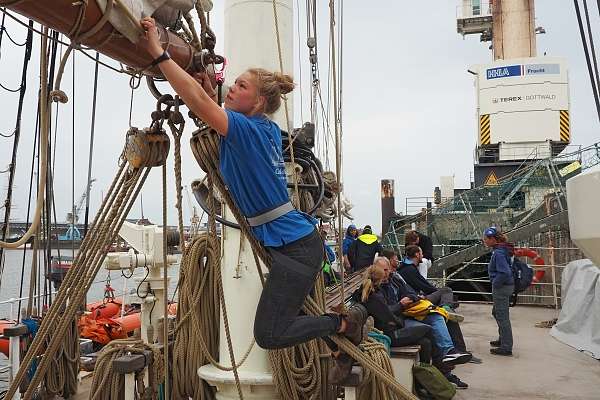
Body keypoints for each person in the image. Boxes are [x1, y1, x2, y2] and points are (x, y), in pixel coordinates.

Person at [140, 17, 367, 362]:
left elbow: (200, 105)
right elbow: (210, 103)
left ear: (258, 102)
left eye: (241, 86)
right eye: (233, 84)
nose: (232, 88)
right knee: (282, 319)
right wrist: (210, 88)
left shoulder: (246, 130)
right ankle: (336, 340)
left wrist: (158, 53)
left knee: (269, 334)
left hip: (296, 250)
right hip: (291, 244)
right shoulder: (264, 128)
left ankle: (341, 325)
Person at [398, 246, 458, 313]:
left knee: (445, 296)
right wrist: (438, 291)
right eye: (421, 253)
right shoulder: (410, 269)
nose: (422, 256)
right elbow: (425, 287)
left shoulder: (404, 267)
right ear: (417, 255)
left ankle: (446, 306)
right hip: (416, 300)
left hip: (412, 297)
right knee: (446, 290)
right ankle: (446, 310)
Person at [484, 226, 514, 356]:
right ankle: (503, 339)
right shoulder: (501, 250)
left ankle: (506, 346)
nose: (484, 241)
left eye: (486, 239)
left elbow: (505, 272)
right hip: (504, 286)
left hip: (501, 288)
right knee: (496, 312)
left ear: (492, 239)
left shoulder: (499, 253)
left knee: (502, 316)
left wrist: (495, 283)